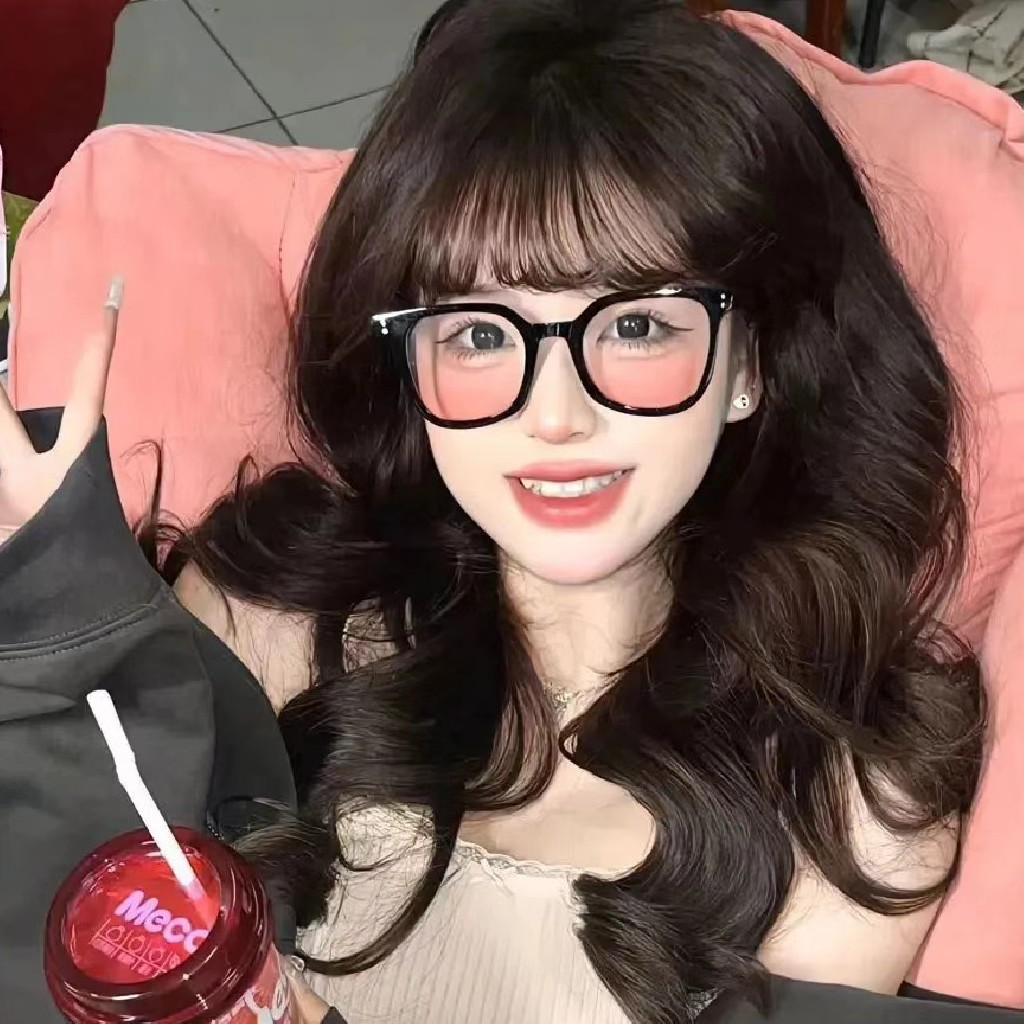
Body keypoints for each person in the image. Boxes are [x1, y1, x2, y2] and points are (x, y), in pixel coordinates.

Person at [1, 1, 1021, 1022]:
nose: (556, 416)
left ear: (748, 364)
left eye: (634, 325)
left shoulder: (858, 803)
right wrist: (51, 638)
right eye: (483, 336)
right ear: (410, 366)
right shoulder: (262, 610)